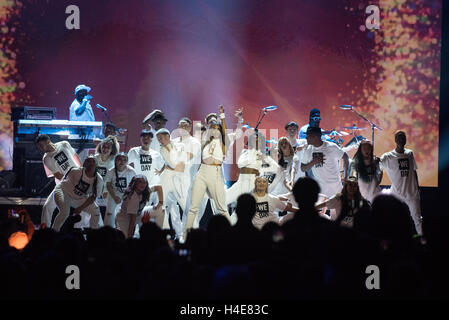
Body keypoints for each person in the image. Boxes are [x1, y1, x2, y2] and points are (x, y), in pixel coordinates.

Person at [184, 108, 234, 237]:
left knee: (222, 208)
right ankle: (185, 236)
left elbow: (224, 128)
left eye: (217, 128)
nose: (215, 130)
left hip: (215, 174)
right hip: (201, 173)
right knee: (193, 208)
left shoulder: (223, 143)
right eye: (212, 128)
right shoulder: (205, 142)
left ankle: (233, 235)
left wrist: (222, 116)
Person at [380, 130, 422, 235]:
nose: (401, 139)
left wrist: (417, 188)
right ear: (395, 140)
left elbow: (414, 171)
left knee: (417, 219)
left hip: (412, 193)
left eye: (403, 137)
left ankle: (422, 240)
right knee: (392, 218)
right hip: (396, 193)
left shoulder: (410, 153)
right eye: (399, 137)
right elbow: (377, 168)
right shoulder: (388, 156)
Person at [35, 134, 81, 228]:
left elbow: (76, 157)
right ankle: (45, 230)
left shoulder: (64, 144)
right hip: (63, 185)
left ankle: (83, 230)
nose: (40, 148)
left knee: (85, 207)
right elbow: (58, 175)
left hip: (77, 181)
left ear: (48, 141)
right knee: (48, 207)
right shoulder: (46, 158)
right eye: (38, 147)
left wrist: (82, 173)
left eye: (41, 145)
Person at [51, 156, 104, 232]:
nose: (91, 163)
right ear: (84, 163)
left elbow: (93, 197)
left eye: (93, 161)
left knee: (96, 211)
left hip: (79, 198)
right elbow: (63, 181)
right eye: (88, 161)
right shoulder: (76, 171)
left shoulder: (99, 180)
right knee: (64, 212)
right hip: (63, 191)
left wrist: (80, 208)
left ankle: (93, 234)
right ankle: (54, 232)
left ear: (96, 164)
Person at [156, 128, 190, 238]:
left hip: (178, 179)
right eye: (158, 139)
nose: (160, 141)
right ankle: (165, 233)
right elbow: (174, 164)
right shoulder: (162, 149)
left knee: (186, 205)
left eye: (161, 138)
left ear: (168, 137)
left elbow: (185, 159)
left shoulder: (178, 145)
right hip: (166, 178)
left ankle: (189, 231)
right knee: (162, 204)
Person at [301, 126, 349, 198]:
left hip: (335, 186)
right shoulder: (308, 150)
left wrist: (346, 177)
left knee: (339, 208)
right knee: (321, 208)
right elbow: (303, 168)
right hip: (320, 189)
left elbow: (345, 157)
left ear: (316, 136)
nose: (306, 138)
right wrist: (313, 162)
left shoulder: (331, 146)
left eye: (308, 136)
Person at [225, 132, 266, 206]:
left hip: (252, 182)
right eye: (254, 139)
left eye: (259, 140)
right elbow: (240, 163)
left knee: (241, 206)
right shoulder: (245, 152)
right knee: (224, 199)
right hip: (241, 181)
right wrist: (252, 155)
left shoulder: (263, 156)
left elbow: (262, 171)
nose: (256, 142)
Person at [127, 129, 165, 206]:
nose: (146, 140)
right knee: (139, 209)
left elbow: (164, 165)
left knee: (151, 210)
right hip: (139, 186)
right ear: (140, 139)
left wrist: (160, 171)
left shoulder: (156, 154)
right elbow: (125, 163)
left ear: (151, 140)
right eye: (144, 138)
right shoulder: (134, 151)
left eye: (148, 138)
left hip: (153, 185)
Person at [104, 153, 136, 227]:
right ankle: (109, 230)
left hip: (127, 194)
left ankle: (122, 229)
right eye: (119, 159)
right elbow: (108, 185)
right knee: (109, 213)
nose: (122, 162)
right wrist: (114, 197)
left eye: (124, 160)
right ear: (115, 160)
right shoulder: (111, 171)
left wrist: (128, 197)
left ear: (127, 162)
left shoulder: (131, 171)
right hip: (114, 193)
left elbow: (134, 186)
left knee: (124, 214)